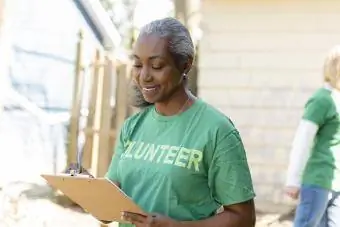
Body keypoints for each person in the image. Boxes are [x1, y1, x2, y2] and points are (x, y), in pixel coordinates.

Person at [106, 17, 256, 227]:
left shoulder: (217, 130)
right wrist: (84, 188)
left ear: (185, 64)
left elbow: (244, 218)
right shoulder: (133, 127)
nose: (144, 76)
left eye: (157, 65)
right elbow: (109, 206)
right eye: (138, 65)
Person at [285, 45, 340, 227]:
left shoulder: (336, 99)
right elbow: (303, 141)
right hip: (318, 181)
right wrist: (293, 180)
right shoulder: (322, 99)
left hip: (335, 182)